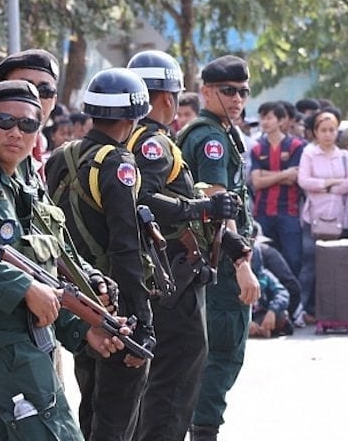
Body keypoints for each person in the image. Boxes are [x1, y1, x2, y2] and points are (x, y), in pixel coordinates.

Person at [0, 81, 126, 440]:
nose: (16, 132)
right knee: (55, 432)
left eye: (28, 124)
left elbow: (49, 256)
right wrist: (24, 287)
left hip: (29, 331)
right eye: (4, 121)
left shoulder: (25, 172)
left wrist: (83, 320)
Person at [125, 51, 243, 441]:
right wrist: (204, 206)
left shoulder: (144, 138)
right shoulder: (151, 142)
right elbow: (145, 201)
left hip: (168, 271)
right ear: (166, 97)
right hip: (172, 273)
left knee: (162, 383)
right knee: (173, 385)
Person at [44, 68, 156, 441]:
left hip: (80, 300)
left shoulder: (61, 156)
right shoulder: (119, 164)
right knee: (116, 417)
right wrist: (144, 321)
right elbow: (127, 247)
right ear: (133, 118)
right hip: (117, 306)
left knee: (90, 404)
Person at [176, 55, 260, 441]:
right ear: (206, 91)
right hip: (221, 262)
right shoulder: (210, 138)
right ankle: (203, 431)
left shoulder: (220, 131)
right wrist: (241, 262)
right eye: (228, 91)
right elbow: (218, 204)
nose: (237, 98)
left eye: (243, 91)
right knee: (222, 354)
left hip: (211, 261)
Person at [297, 111, 348, 316]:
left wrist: (329, 188)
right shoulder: (309, 153)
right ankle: (302, 309)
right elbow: (304, 180)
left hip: (339, 218)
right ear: (315, 132)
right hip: (313, 218)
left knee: (338, 263)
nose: (327, 134)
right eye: (323, 130)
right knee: (310, 263)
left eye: (331, 130)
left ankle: (337, 309)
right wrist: (329, 183)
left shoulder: (345, 156)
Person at [250, 102, 305, 283]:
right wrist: (284, 174)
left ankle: (292, 304)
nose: (264, 122)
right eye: (262, 117)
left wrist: (267, 175)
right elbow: (256, 182)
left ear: (281, 121)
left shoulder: (296, 146)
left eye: (269, 117)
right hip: (262, 211)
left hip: (288, 211)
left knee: (293, 259)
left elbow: (294, 178)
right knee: (264, 258)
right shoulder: (257, 147)